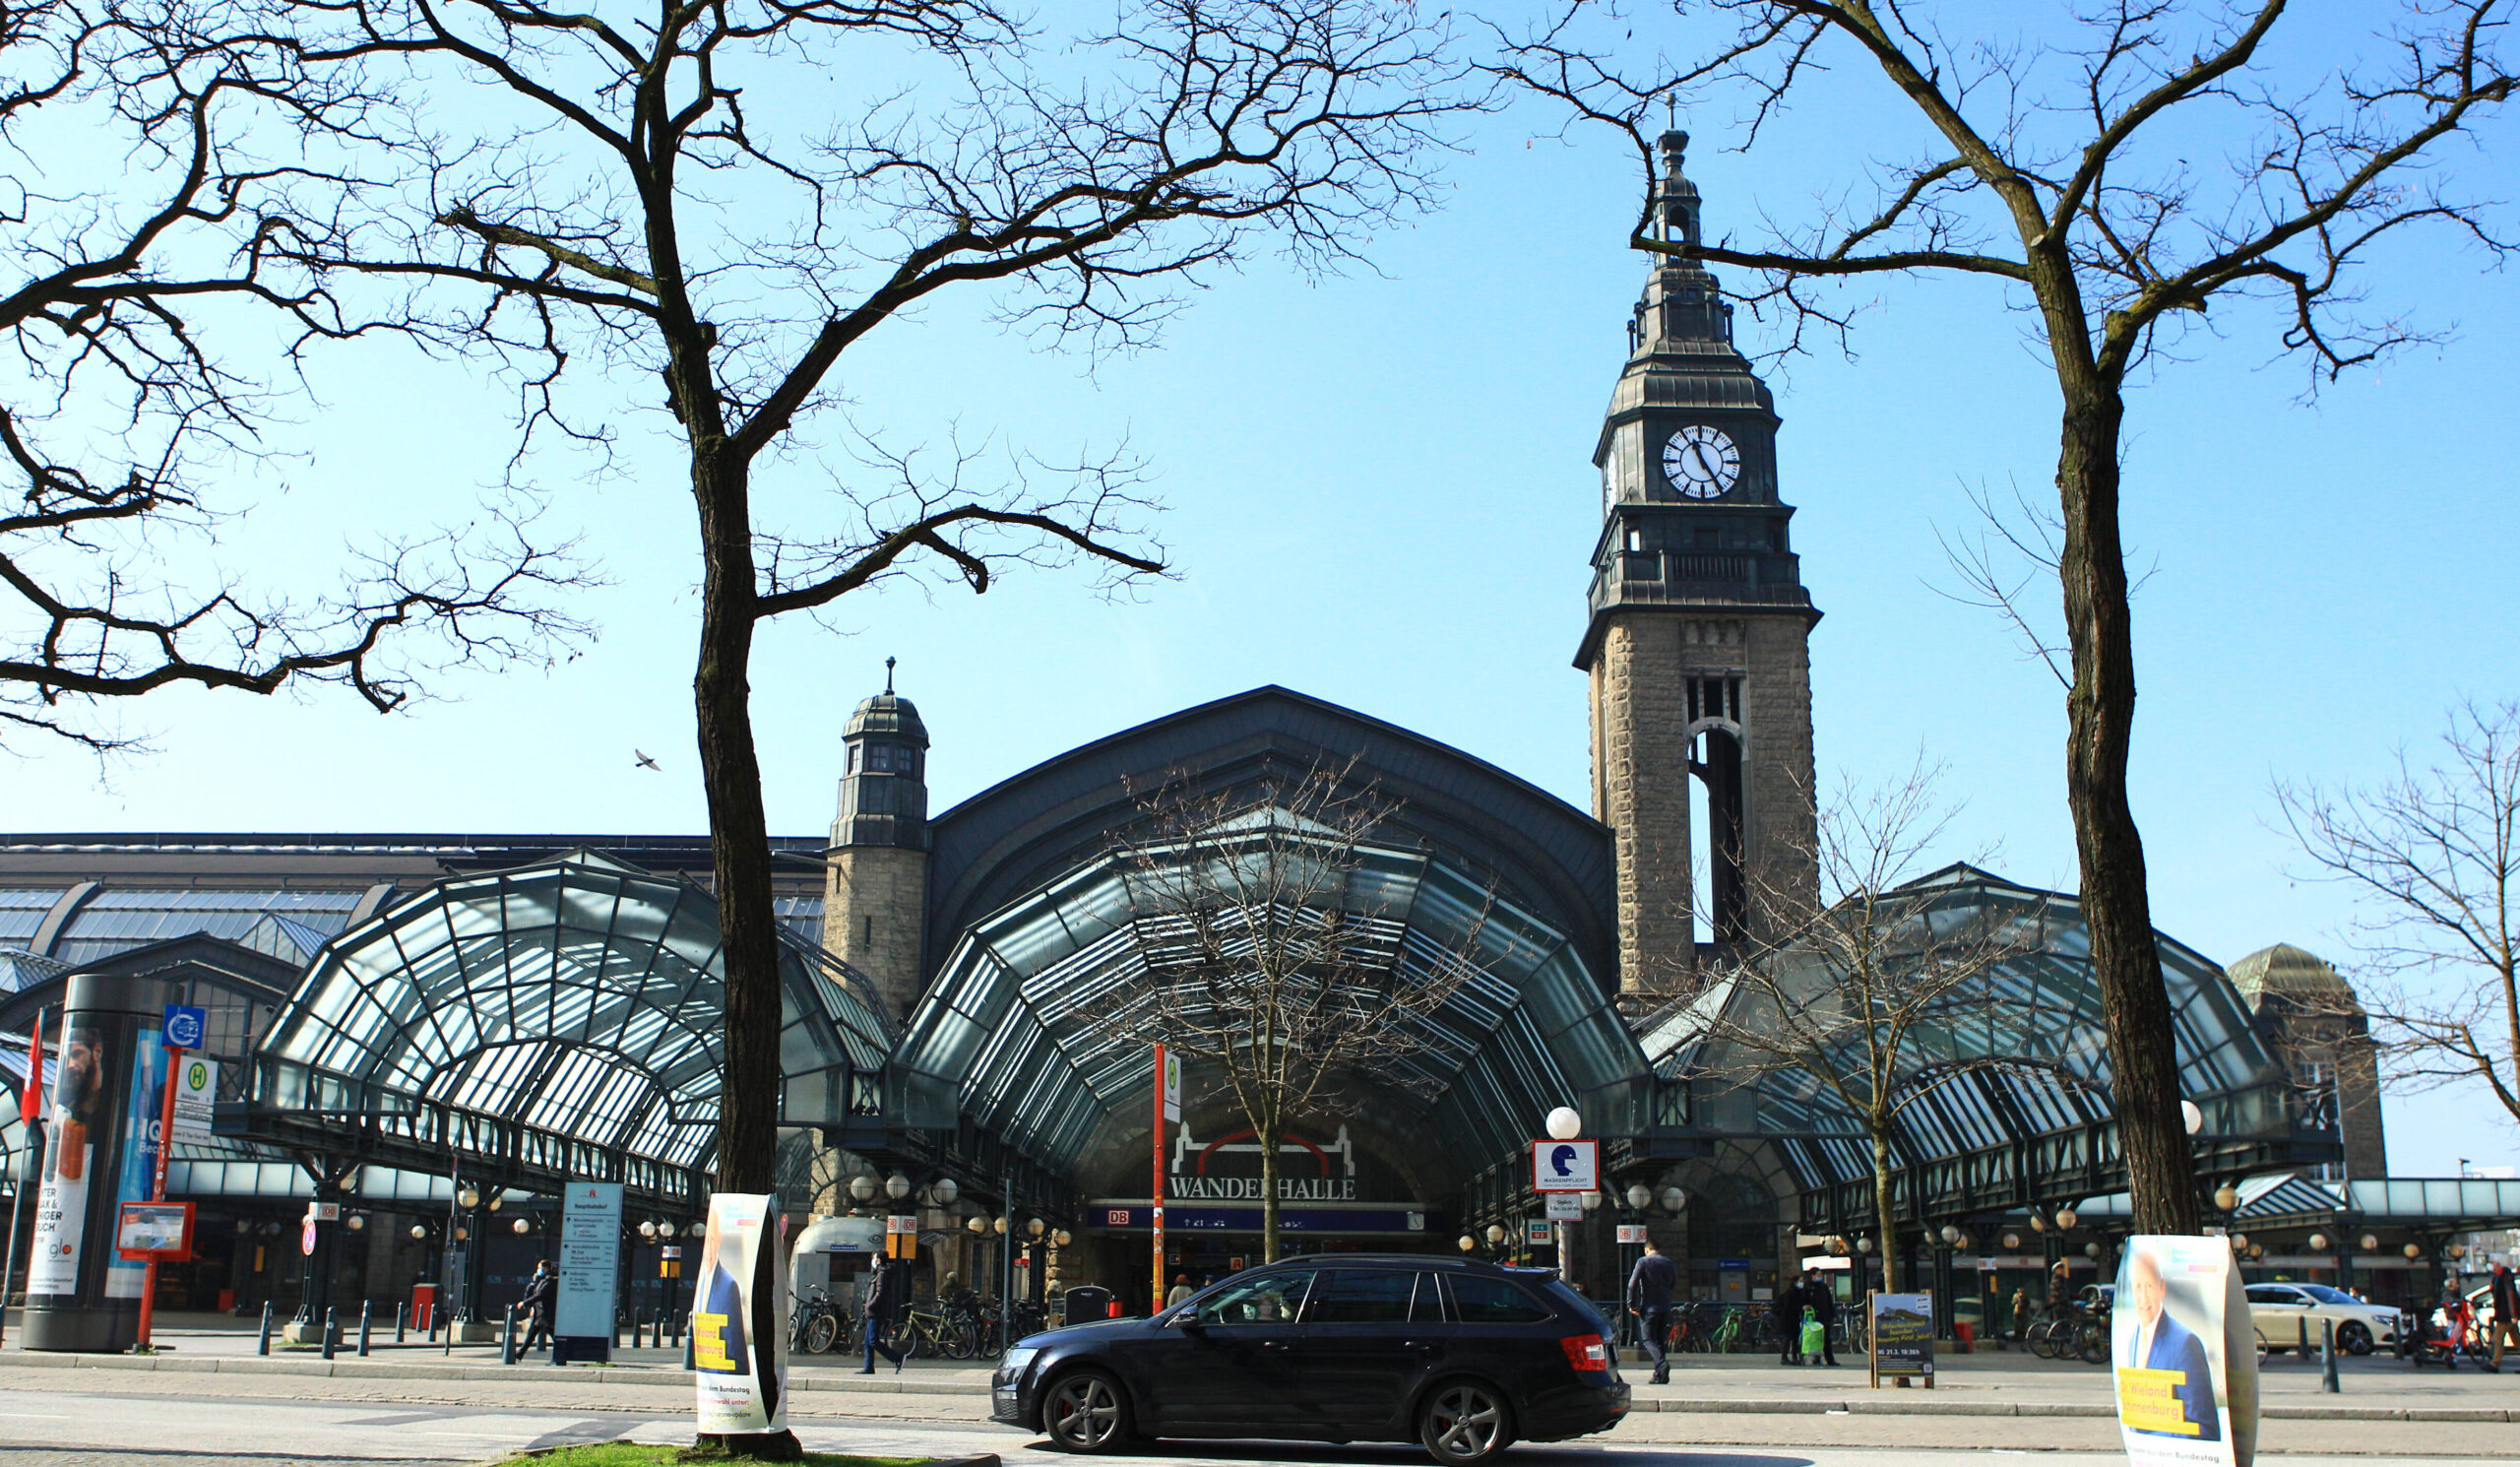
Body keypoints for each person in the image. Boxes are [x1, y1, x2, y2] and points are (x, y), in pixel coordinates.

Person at [2123, 1250, 2219, 1442]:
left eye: (2149, 1286)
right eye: (2137, 1287)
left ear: (2162, 1288)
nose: (2142, 1297)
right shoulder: (2132, 1339)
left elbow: (2204, 1427)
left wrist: (2150, 1442)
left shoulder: (2185, 1342)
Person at [1626, 1240, 1678, 1385]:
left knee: (1648, 1339)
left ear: (1647, 1250)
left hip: (1649, 1307)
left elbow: (1632, 1284)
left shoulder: (1643, 1262)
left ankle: (1662, 1364)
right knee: (1660, 1340)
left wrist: (1631, 1304)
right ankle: (1660, 1375)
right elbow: (1673, 1283)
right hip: (1665, 1306)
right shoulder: (1669, 1263)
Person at [859, 1254, 909, 1374]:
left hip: (876, 1311)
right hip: (874, 1311)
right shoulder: (879, 1272)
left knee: (873, 1341)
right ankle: (868, 1367)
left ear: (879, 1260)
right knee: (868, 1341)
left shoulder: (883, 1274)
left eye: (875, 1258)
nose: (873, 1260)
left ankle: (897, 1358)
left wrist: (870, 1305)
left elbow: (880, 1294)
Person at [514, 1260, 556, 1360]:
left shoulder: (550, 1280)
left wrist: (525, 1303)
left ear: (546, 1268)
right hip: (540, 1313)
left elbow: (540, 1295)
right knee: (531, 1334)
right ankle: (519, 1354)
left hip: (545, 1312)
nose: (538, 1270)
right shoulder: (543, 1279)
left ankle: (561, 1356)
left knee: (550, 1334)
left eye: (540, 1268)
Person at [1802, 1268, 1839, 1367]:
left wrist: (1833, 1314)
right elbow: (1803, 1299)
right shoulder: (1807, 1286)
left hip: (1824, 1315)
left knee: (1826, 1338)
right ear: (1812, 1275)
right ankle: (1812, 1357)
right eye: (1818, 1275)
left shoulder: (1824, 1286)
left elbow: (1829, 1301)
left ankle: (1829, 1359)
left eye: (1821, 1275)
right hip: (1813, 1317)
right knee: (1813, 1338)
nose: (1820, 1277)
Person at [2490, 1264, 2519, 1369]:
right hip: (2505, 1313)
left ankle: (2495, 1363)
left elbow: (2510, 1295)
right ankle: (2495, 1363)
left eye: (2493, 1263)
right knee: (2517, 1340)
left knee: (2498, 1338)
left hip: (2505, 1314)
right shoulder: (2500, 1277)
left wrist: (2513, 1314)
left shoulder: (2504, 1277)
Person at [1770, 1279, 1802, 1366]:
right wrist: (1800, 1309)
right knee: (1789, 1338)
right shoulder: (1791, 1293)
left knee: (1792, 1338)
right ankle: (1787, 1357)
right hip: (1788, 1319)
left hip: (1793, 1318)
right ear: (1795, 1282)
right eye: (1800, 1281)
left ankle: (1791, 1357)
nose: (1802, 1284)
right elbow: (1788, 1307)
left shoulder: (1794, 1292)